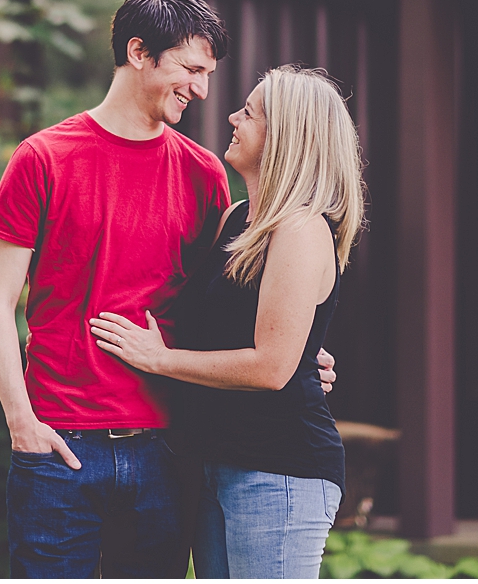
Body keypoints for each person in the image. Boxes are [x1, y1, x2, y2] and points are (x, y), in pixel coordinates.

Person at [0, 0, 338, 579]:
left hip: (170, 446)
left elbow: (225, 305)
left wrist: (300, 353)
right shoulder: (42, 158)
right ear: (139, 52)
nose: (201, 89)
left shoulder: (205, 176)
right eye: (191, 69)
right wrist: (21, 421)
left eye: (207, 73)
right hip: (60, 442)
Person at [91, 65, 365, 580]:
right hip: (216, 463)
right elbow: (231, 333)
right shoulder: (236, 218)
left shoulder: (301, 228)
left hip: (278, 467)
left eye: (251, 112)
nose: (234, 116)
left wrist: (160, 359)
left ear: (284, 137)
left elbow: (272, 367)